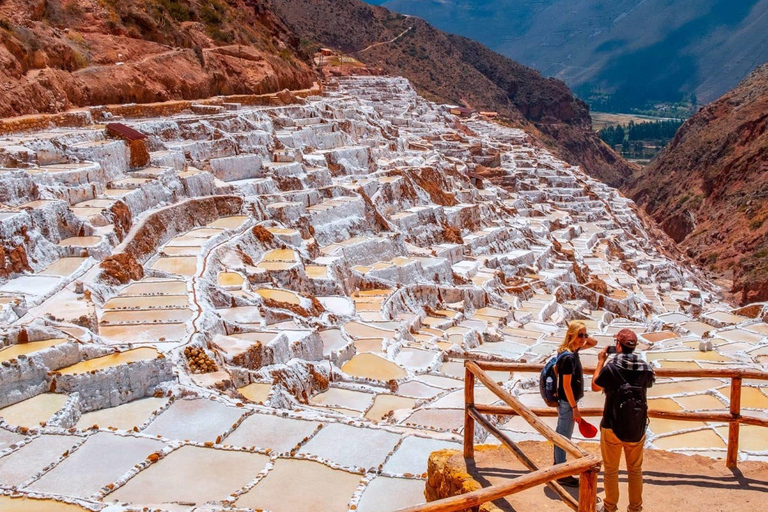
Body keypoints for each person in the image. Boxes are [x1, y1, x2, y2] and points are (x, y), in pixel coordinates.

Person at [592, 328, 655, 512]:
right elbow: (649, 383)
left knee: (611, 470)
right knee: (635, 470)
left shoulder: (612, 367)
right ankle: (635, 508)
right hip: (637, 426)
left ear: (618, 345)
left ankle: (610, 507)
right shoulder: (645, 367)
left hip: (612, 424)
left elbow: (596, 386)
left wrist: (601, 361)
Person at [554, 320, 597, 486]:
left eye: (584, 335)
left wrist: (580, 335)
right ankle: (561, 472)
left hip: (567, 402)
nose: (584, 338)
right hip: (567, 403)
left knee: (562, 434)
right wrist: (574, 408)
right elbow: (566, 385)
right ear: (571, 335)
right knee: (564, 436)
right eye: (580, 335)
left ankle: (558, 466)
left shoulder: (571, 351)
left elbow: (594, 343)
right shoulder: (569, 358)